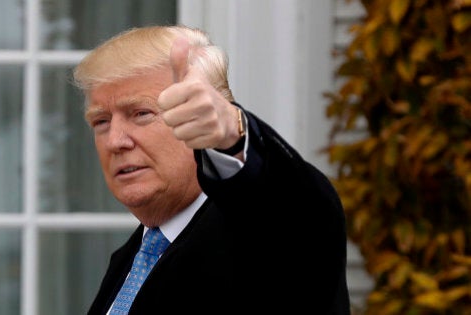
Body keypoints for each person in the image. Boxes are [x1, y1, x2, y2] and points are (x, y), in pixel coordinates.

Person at [72, 25, 350, 315]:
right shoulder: (133, 258)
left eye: (141, 113)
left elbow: (299, 207)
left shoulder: (266, 232)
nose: (116, 141)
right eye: (101, 122)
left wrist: (233, 135)